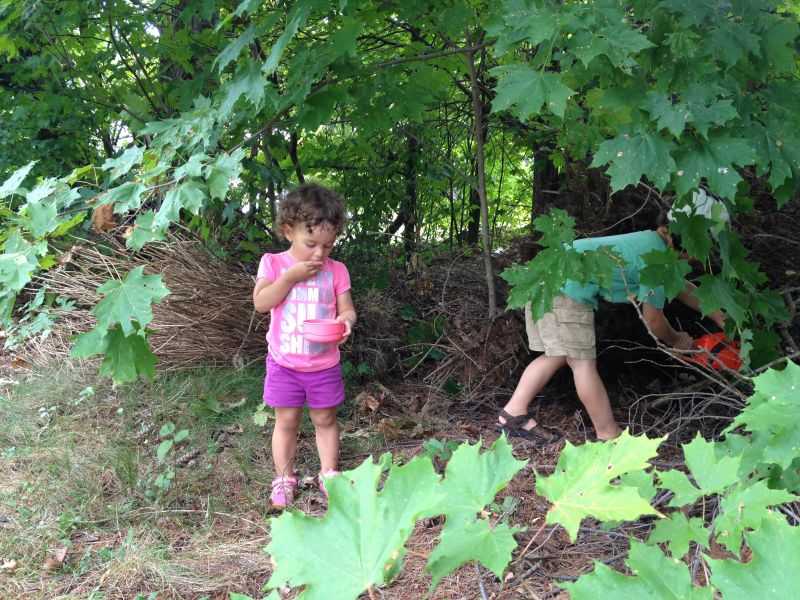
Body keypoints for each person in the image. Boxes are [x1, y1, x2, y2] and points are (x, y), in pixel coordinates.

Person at [498, 224, 726, 444]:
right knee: (582, 363)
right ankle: (608, 434)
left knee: (558, 354)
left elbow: (679, 285)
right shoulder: (659, 261)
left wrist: (719, 316)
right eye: (698, 256)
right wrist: (678, 341)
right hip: (564, 290)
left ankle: (514, 413)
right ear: (690, 248)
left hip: (543, 280)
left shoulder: (652, 243)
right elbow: (654, 321)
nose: (694, 262)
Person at [252, 183, 356, 508]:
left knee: (325, 420)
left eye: (328, 245)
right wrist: (289, 277)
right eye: (311, 244)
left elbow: (347, 309)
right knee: (286, 422)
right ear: (288, 231)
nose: (319, 254)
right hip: (284, 364)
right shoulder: (273, 264)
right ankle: (284, 478)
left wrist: (346, 323)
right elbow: (261, 303)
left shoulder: (336, 271)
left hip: (324, 365)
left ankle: (329, 473)